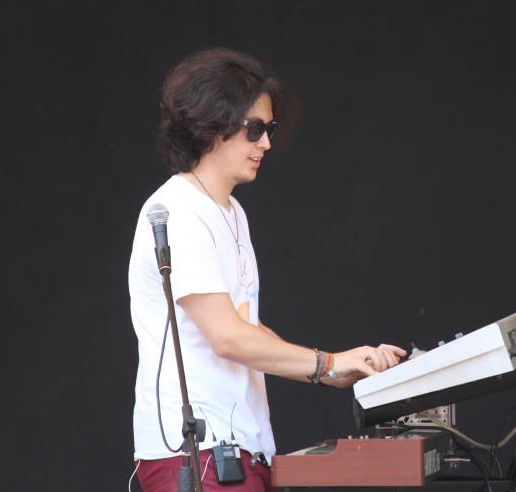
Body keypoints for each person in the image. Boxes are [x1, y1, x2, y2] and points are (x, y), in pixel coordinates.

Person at [128, 48, 406, 492]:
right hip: (197, 453)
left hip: (241, 447)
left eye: (270, 129)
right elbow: (227, 337)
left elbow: (246, 327)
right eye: (254, 129)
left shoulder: (231, 212)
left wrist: (333, 372)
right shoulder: (179, 210)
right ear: (211, 126)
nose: (267, 143)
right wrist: (327, 364)